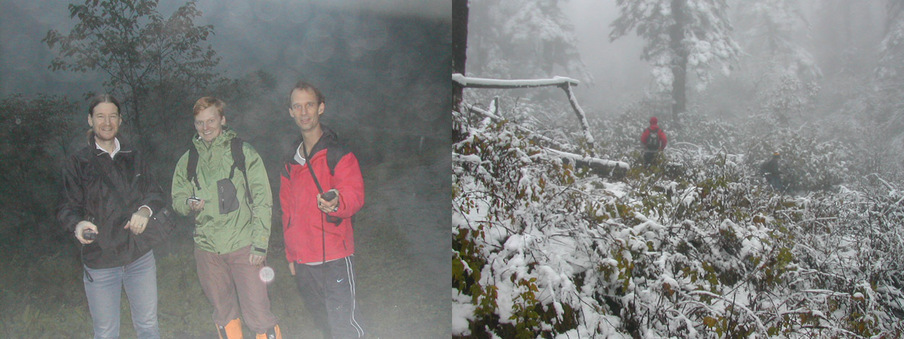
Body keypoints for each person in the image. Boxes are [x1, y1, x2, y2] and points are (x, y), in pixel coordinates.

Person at [171, 97, 282, 339]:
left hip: (244, 246)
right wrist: (188, 203)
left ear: (222, 119)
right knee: (223, 315)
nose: (205, 127)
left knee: (259, 315)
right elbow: (177, 199)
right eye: (200, 122)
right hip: (207, 249)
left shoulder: (243, 152)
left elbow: (263, 200)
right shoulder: (188, 159)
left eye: (211, 120)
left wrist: (260, 243)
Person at [57, 94, 163, 339]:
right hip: (101, 260)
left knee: (148, 326)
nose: (107, 122)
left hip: (139, 256)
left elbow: (155, 193)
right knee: (105, 333)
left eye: (112, 116)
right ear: (90, 120)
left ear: (120, 120)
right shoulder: (78, 162)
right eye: (100, 116)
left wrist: (144, 211)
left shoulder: (134, 155)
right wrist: (78, 224)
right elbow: (65, 207)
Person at [280, 81, 366, 339]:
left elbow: (354, 193)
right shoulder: (290, 162)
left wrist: (337, 201)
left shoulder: (337, 153)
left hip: (335, 259)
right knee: (325, 326)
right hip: (304, 262)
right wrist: (291, 255)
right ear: (291, 112)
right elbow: (287, 213)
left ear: (321, 108)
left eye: (309, 105)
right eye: (298, 106)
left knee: (345, 328)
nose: (304, 112)